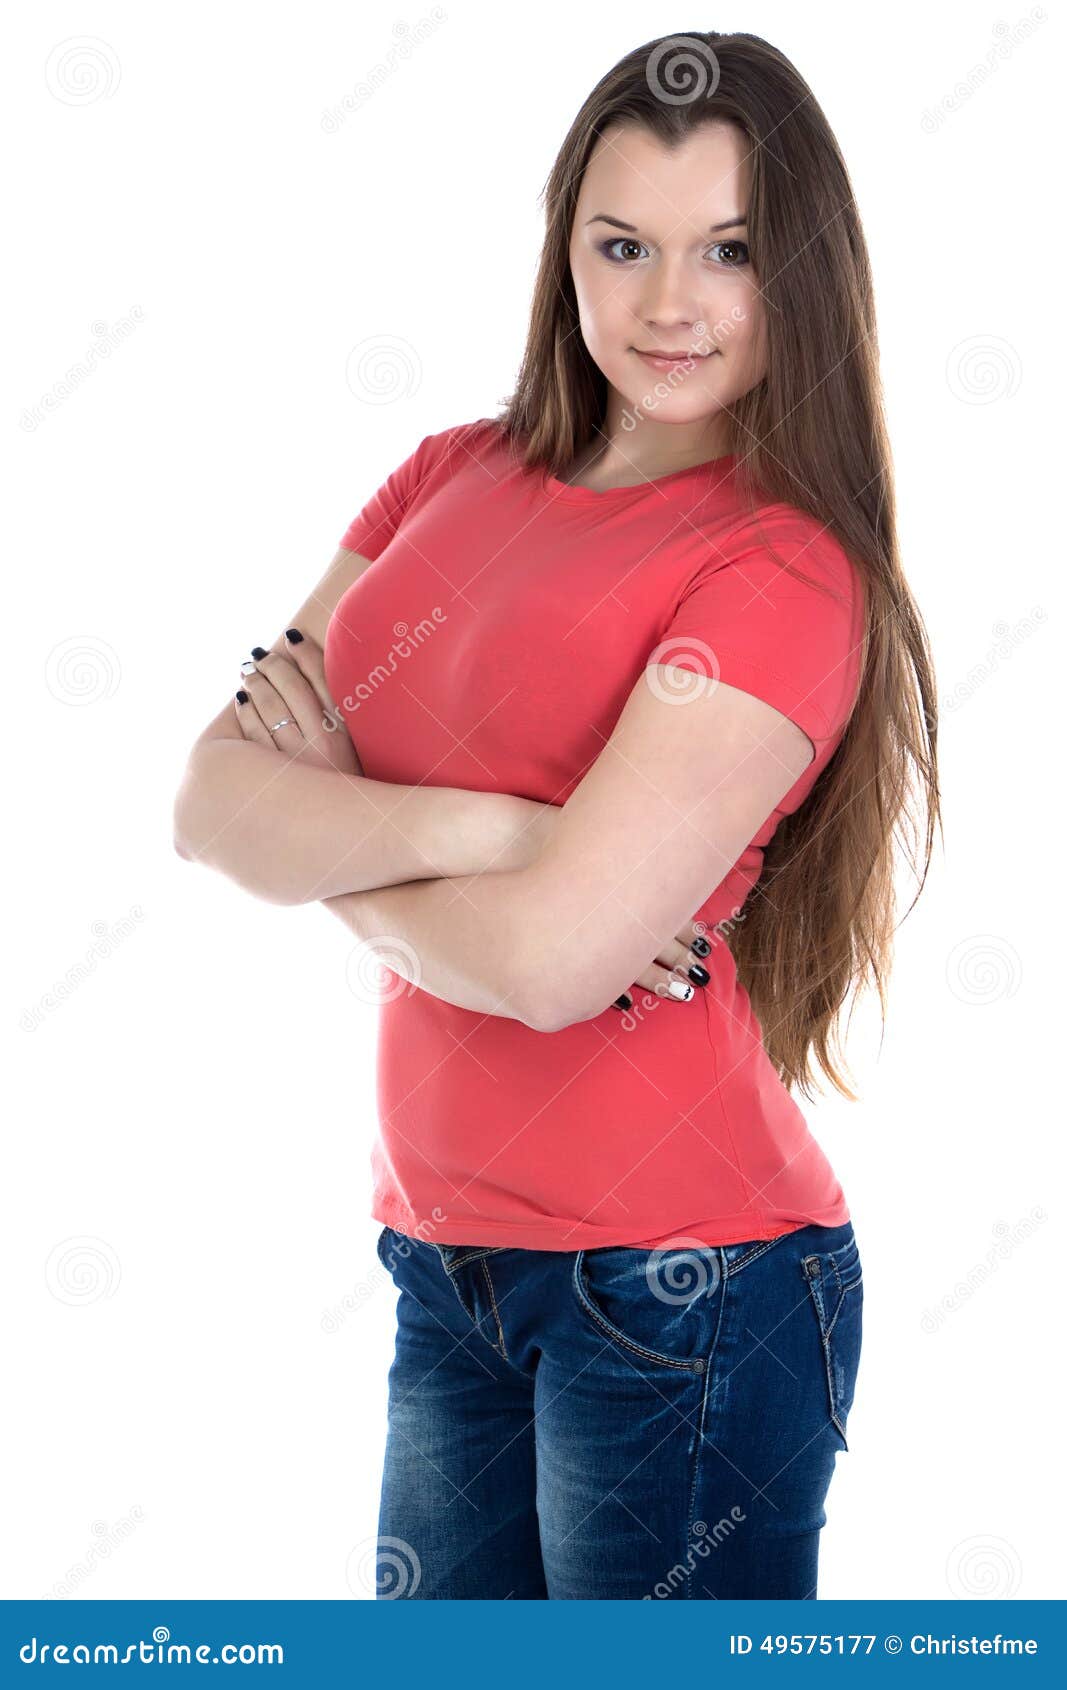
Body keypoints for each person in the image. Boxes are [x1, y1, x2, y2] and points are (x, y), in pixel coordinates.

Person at [173, 30, 940, 1599]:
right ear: (564, 255)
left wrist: (346, 827)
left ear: (796, 268)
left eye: (726, 250)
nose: (669, 303)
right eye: (623, 246)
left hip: (683, 1295)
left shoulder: (779, 570)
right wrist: (508, 833)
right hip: (446, 1271)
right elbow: (208, 798)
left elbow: (542, 971)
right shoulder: (446, 477)